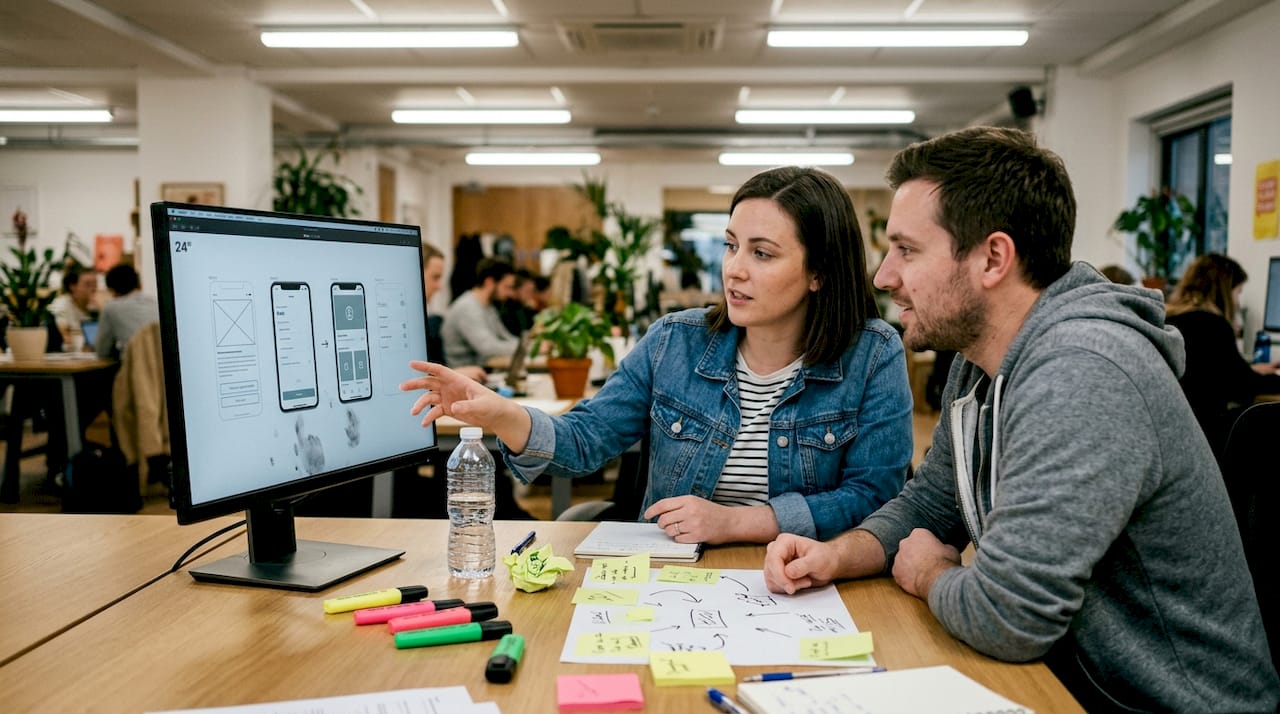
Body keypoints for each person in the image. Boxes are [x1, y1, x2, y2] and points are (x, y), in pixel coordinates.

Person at [761, 127, 1279, 711]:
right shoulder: (981, 362)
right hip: (1071, 681)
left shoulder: (1083, 373)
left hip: (1164, 703)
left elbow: (1008, 617)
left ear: (993, 258)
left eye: (906, 250)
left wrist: (931, 573)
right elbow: (932, 504)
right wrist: (838, 553)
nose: (883, 276)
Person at [402, 166, 913, 545]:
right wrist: (501, 413)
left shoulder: (872, 353)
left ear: (819, 272)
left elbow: (874, 498)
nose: (733, 269)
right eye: (731, 246)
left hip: (805, 579)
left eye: (762, 253)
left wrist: (738, 523)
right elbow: (586, 440)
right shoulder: (675, 340)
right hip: (671, 577)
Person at [1165, 253, 1280, 458]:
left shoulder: (1170, 318)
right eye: (1238, 292)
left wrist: (1250, 370)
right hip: (1204, 438)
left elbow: (1208, 371)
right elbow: (1243, 386)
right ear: (1225, 290)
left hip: (1172, 433)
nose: (1237, 302)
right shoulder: (1212, 324)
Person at [441, 258, 520, 368]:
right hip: (466, 375)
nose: (510, 293)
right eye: (506, 287)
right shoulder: (467, 308)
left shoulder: (488, 306)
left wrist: (528, 345)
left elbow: (504, 337)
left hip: (483, 369)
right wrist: (526, 347)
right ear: (489, 283)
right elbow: (488, 348)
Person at [96, 264, 159, 360]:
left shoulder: (111, 308)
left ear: (112, 290)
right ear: (138, 283)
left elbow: (102, 352)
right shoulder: (154, 302)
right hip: (163, 366)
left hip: (136, 368)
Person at [49, 263, 99, 345]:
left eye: (95, 284)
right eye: (88, 284)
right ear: (72, 286)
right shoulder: (61, 305)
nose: (93, 288)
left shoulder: (95, 307)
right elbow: (64, 337)